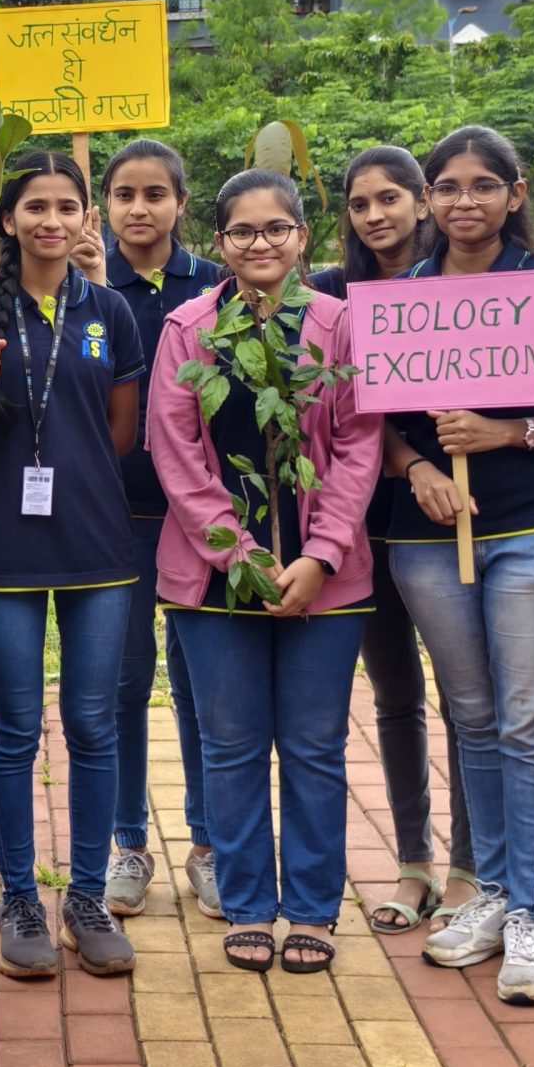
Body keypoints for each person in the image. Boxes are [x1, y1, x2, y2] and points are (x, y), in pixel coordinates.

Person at [385, 125, 534, 1003]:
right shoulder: (402, 295)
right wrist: (425, 467)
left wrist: (508, 431)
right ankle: (497, 894)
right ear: (430, 198)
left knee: (527, 721)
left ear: (516, 195)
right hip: (431, 536)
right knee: (471, 717)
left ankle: (533, 920)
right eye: (447, 186)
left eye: (484, 185)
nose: (464, 201)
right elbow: (383, 423)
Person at [151, 169, 381, 975]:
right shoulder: (188, 328)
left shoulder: (340, 325)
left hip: (328, 578)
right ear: (220, 244)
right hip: (216, 583)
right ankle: (248, 901)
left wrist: (319, 555)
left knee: (315, 744)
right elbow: (176, 457)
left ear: (301, 237)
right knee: (233, 745)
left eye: (276, 229)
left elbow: (358, 444)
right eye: (243, 232)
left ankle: (314, 906)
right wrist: (242, 561)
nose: (260, 244)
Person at [0, 151, 146, 979]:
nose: (51, 222)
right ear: (9, 220)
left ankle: (87, 896)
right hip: (2, 546)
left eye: (67, 207)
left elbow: (120, 434)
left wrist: (72, 468)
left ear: (84, 217)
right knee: (14, 726)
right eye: (35, 208)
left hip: (96, 545)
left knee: (94, 724)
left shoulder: (112, 311)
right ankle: (19, 896)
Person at [308, 145, 474, 935]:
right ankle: (415, 863)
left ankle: (472, 867)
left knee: (466, 701)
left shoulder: (471, 286)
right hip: (358, 526)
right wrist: (407, 468)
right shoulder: (333, 296)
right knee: (396, 697)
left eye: (390, 199)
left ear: (423, 203)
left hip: (456, 521)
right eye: (360, 203)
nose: (375, 215)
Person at [66, 139, 222, 920]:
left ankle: (209, 843)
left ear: (180, 204)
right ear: (106, 207)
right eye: (123, 194)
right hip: (114, 515)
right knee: (123, 683)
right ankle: (129, 842)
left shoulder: (218, 288)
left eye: (155, 193)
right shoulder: (83, 286)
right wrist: (91, 291)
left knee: (200, 684)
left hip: (199, 519)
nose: (138, 208)